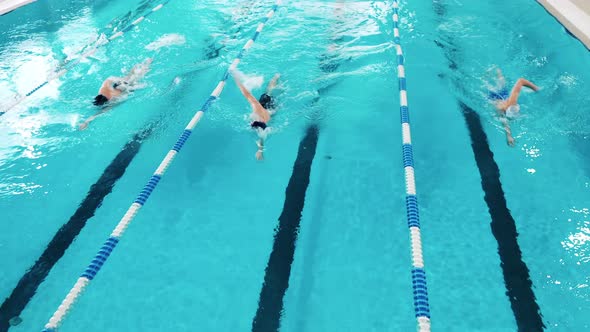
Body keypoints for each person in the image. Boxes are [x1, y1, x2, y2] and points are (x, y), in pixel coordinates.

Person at [80, 58, 153, 130]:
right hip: (124, 86)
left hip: (124, 85)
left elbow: (110, 78)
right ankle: (146, 62)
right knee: (132, 78)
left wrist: (122, 81)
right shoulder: (104, 90)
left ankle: (146, 63)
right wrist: (86, 122)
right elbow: (99, 113)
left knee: (130, 78)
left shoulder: (110, 95)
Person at [232, 71, 280, 160]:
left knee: (269, 92)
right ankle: (276, 77)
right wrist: (260, 151)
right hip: (268, 109)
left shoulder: (257, 110)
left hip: (268, 107)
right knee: (268, 92)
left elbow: (247, 94)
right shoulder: (258, 113)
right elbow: (261, 137)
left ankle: (276, 78)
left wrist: (237, 80)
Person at [487, 68, 539, 146]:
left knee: (499, 76)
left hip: (503, 95)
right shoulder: (500, 109)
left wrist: (535, 88)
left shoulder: (512, 101)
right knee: (492, 80)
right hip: (493, 97)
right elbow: (504, 121)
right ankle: (491, 71)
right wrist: (509, 136)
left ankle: (494, 69)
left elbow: (521, 81)